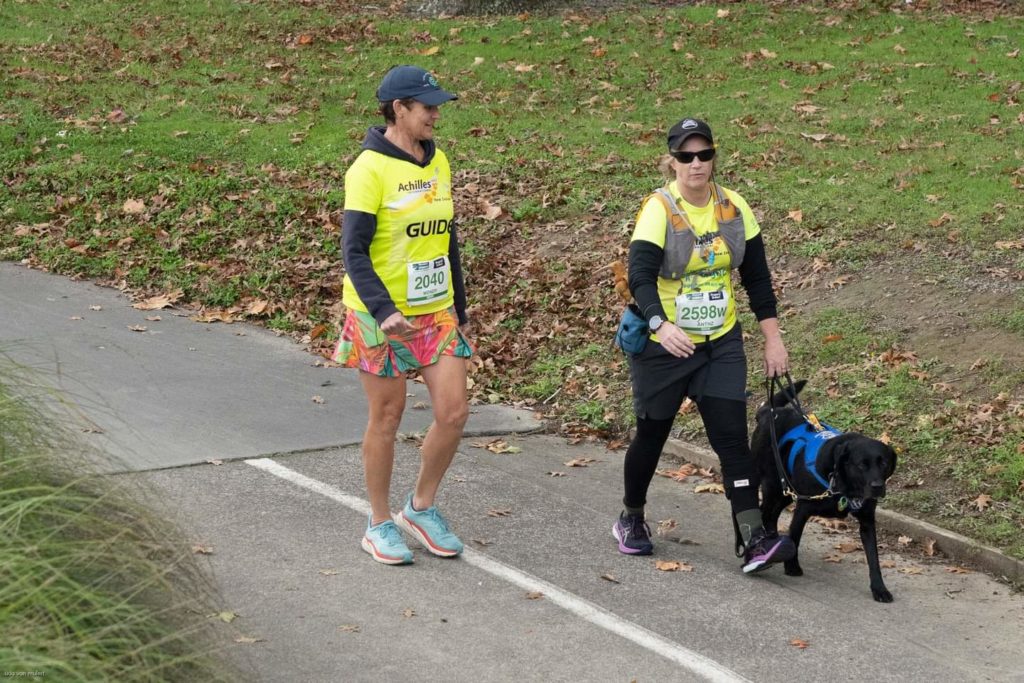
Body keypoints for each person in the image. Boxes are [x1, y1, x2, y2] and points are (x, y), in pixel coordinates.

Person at [613, 117, 796, 574]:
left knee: (732, 439)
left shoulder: (734, 208)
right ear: (671, 161)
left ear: (714, 157)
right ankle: (631, 517)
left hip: (720, 343)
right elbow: (639, 277)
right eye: (685, 156)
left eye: (704, 155)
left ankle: (754, 537)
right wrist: (660, 325)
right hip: (666, 347)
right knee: (652, 435)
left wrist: (773, 339)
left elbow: (757, 278)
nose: (696, 164)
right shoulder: (658, 208)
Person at [334, 65, 471, 565]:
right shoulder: (368, 169)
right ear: (400, 110)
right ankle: (378, 522)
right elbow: (353, 251)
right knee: (387, 417)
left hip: (435, 311)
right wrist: (383, 310)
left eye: (437, 106)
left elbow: (447, 239)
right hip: (379, 315)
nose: (436, 114)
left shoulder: (439, 163)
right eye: (427, 107)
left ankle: (421, 507)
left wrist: (460, 305)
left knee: (454, 412)